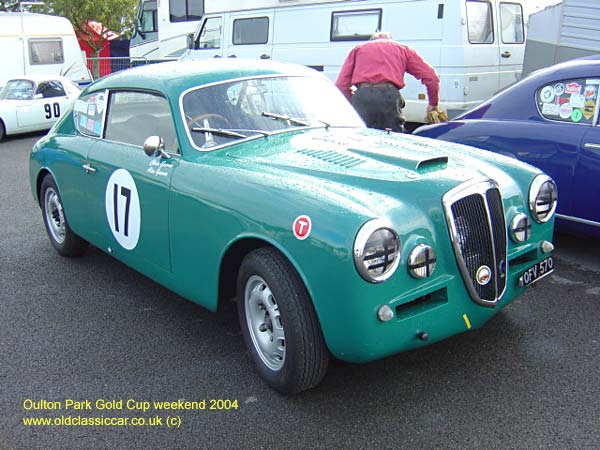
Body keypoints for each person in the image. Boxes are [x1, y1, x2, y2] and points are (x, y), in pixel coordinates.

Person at [335, 31, 440, 132]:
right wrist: (432, 104)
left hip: (362, 96)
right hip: (389, 96)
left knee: (360, 137)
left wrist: (353, 99)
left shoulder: (358, 49)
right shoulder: (403, 49)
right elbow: (432, 77)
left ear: (371, 40)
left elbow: (341, 84)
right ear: (390, 39)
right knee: (391, 138)